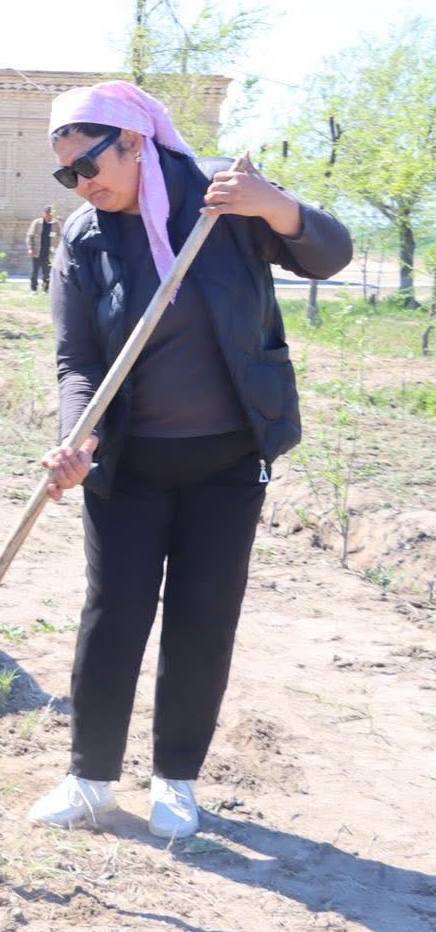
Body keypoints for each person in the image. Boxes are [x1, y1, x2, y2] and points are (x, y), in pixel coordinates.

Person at [30, 81, 352, 840]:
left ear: (135, 142)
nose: (84, 184)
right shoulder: (85, 237)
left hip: (228, 461)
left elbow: (329, 256)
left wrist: (277, 205)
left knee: (203, 620)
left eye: (91, 166)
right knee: (113, 616)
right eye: (68, 174)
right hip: (130, 463)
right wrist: (79, 436)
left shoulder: (225, 205)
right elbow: (78, 360)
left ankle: (177, 780)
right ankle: (91, 779)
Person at [26, 204, 57, 292]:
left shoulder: (55, 224)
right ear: (43, 213)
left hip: (49, 252)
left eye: (50, 214)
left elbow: (60, 235)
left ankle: (45, 289)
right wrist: (30, 248)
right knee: (35, 271)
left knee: (47, 272)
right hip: (37, 251)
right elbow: (29, 236)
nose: (48, 216)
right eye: (47, 214)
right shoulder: (37, 223)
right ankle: (33, 289)